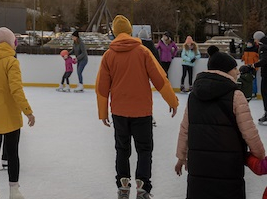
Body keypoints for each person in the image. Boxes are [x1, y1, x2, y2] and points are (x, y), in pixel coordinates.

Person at [95, 15, 178, 199]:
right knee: (144, 150)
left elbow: (101, 87)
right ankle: (142, 185)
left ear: (115, 33)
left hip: (119, 112)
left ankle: (123, 183)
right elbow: (160, 79)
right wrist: (172, 101)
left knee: (122, 149)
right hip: (142, 112)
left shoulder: (108, 55)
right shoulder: (142, 52)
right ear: (130, 30)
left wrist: (103, 112)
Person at [174, 51, 265, 199]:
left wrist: (181, 157)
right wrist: (260, 155)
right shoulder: (236, 95)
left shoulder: (194, 95)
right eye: (234, 68)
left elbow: (185, 129)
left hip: (199, 164)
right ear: (226, 70)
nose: (237, 71)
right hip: (228, 166)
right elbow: (249, 131)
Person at [0, 27, 35, 199]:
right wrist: (28, 111)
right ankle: (14, 191)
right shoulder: (12, 62)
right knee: (12, 153)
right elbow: (16, 90)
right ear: (12, 43)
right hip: (9, 114)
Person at [247, 31, 267, 124]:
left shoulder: (264, 46)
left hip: (266, 74)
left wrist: (254, 65)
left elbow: (264, 60)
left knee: (265, 93)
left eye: (255, 38)